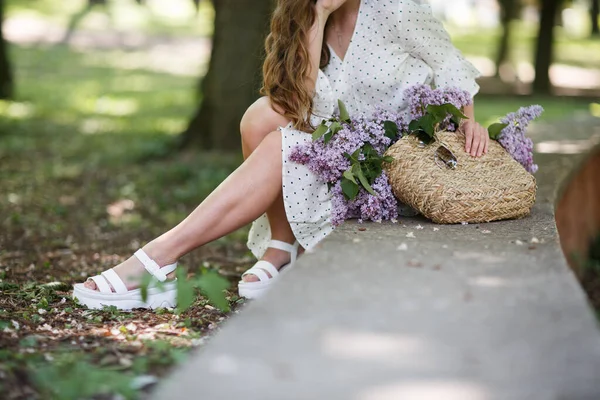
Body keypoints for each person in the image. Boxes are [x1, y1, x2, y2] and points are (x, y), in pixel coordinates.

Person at [73, 0, 489, 309]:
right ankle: (284, 244)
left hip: (393, 167)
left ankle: (156, 259)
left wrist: (469, 121)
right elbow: (303, 103)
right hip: (342, 150)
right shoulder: (304, 14)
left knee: (278, 141)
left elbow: (451, 65)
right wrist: (319, 15)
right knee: (261, 118)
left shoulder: (395, 9)